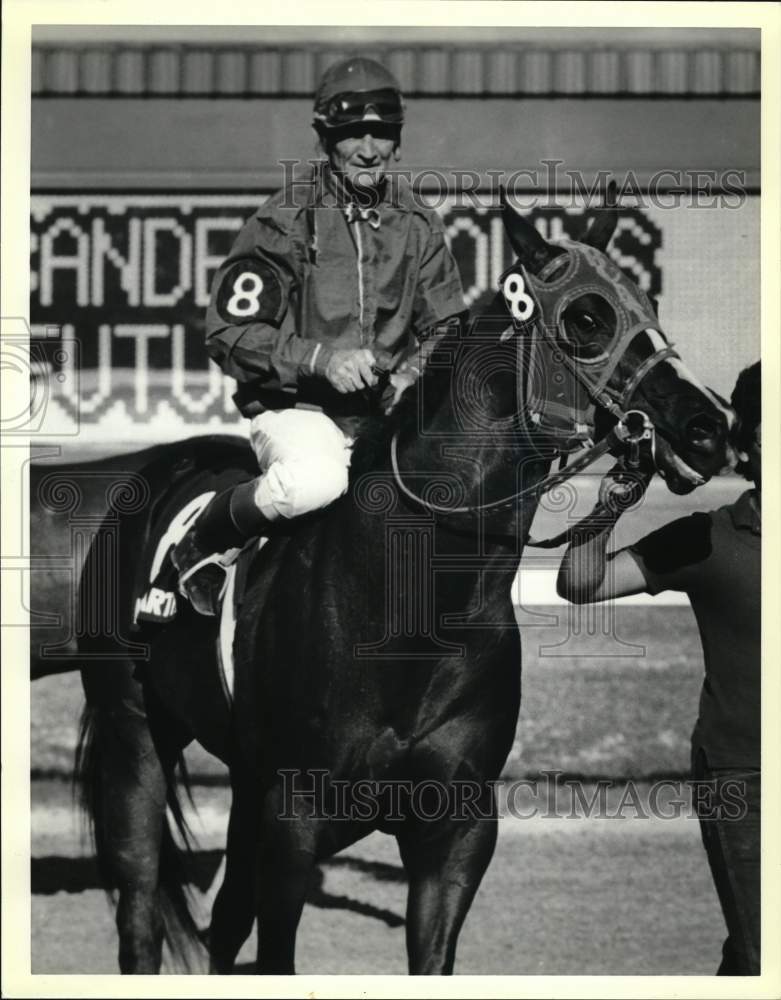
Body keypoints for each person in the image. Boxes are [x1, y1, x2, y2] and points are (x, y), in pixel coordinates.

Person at [172, 57, 467, 615]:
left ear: (398, 141)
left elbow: (448, 327)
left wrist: (411, 372)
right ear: (325, 137)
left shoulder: (419, 222)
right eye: (353, 131)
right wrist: (320, 359)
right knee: (317, 480)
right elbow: (228, 333)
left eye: (381, 132)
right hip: (297, 410)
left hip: (384, 416)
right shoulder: (282, 218)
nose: (368, 147)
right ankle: (203, 538)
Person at [556, 361, 761, 975]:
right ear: (757, 438)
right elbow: (580, 582)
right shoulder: (708, 540)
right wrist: (607, 506)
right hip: (745, 783)